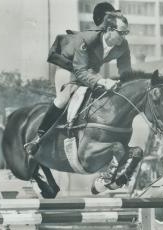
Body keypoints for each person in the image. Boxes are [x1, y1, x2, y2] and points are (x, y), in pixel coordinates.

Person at [25, 3, 132, 156]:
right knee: (64, 98)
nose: (124, 36)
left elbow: (126, 73)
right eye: (122, 33)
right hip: (68, 68)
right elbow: (80, 71)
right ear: (109, 30)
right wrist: (102, 81)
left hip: (89, 70)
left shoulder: (123, 45)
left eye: (126, 32)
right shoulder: (87, 39)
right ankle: (38, 138)